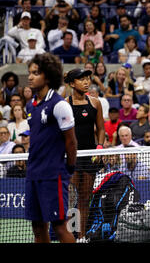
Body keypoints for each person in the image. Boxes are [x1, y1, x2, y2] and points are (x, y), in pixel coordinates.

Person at [25, 53, 77, 243]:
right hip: (33, 174)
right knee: (38, 227)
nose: (30, 77)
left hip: (52, 175)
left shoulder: (59, 105)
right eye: (29, 73)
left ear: (47, 76)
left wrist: (69, 169)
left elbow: (71, 142)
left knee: (59, 227)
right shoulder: (30, 105)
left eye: (36, 73)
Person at [64, 68, 105, 241]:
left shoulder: (95, 103)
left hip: (90, 156)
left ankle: (81, 236)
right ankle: (68, 234)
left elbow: (101, 128)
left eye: (88, 78)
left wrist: (100, 147)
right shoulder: (65, 104)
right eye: (81, 79)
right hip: (71, 156)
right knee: (70, 197)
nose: (86, 82)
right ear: (72, 84)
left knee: (85, 196)